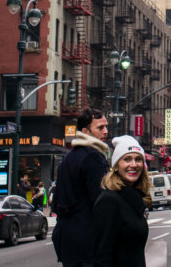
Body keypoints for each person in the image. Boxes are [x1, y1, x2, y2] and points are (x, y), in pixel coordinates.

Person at [52, 108, 110, 267]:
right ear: (85, 131)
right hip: (87, 240)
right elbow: (100, 202)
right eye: (100, 128)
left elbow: (57, 199)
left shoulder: (69, 157)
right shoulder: (93, 157)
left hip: (67, 238)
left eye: (106, 127)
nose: (105, 131)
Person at [93, 136, 150, 267]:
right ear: (116, 166)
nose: (134, 165)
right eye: (127, 159)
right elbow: (102, 255)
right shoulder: (109, 201)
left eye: (138, 159)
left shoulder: (133, 198)